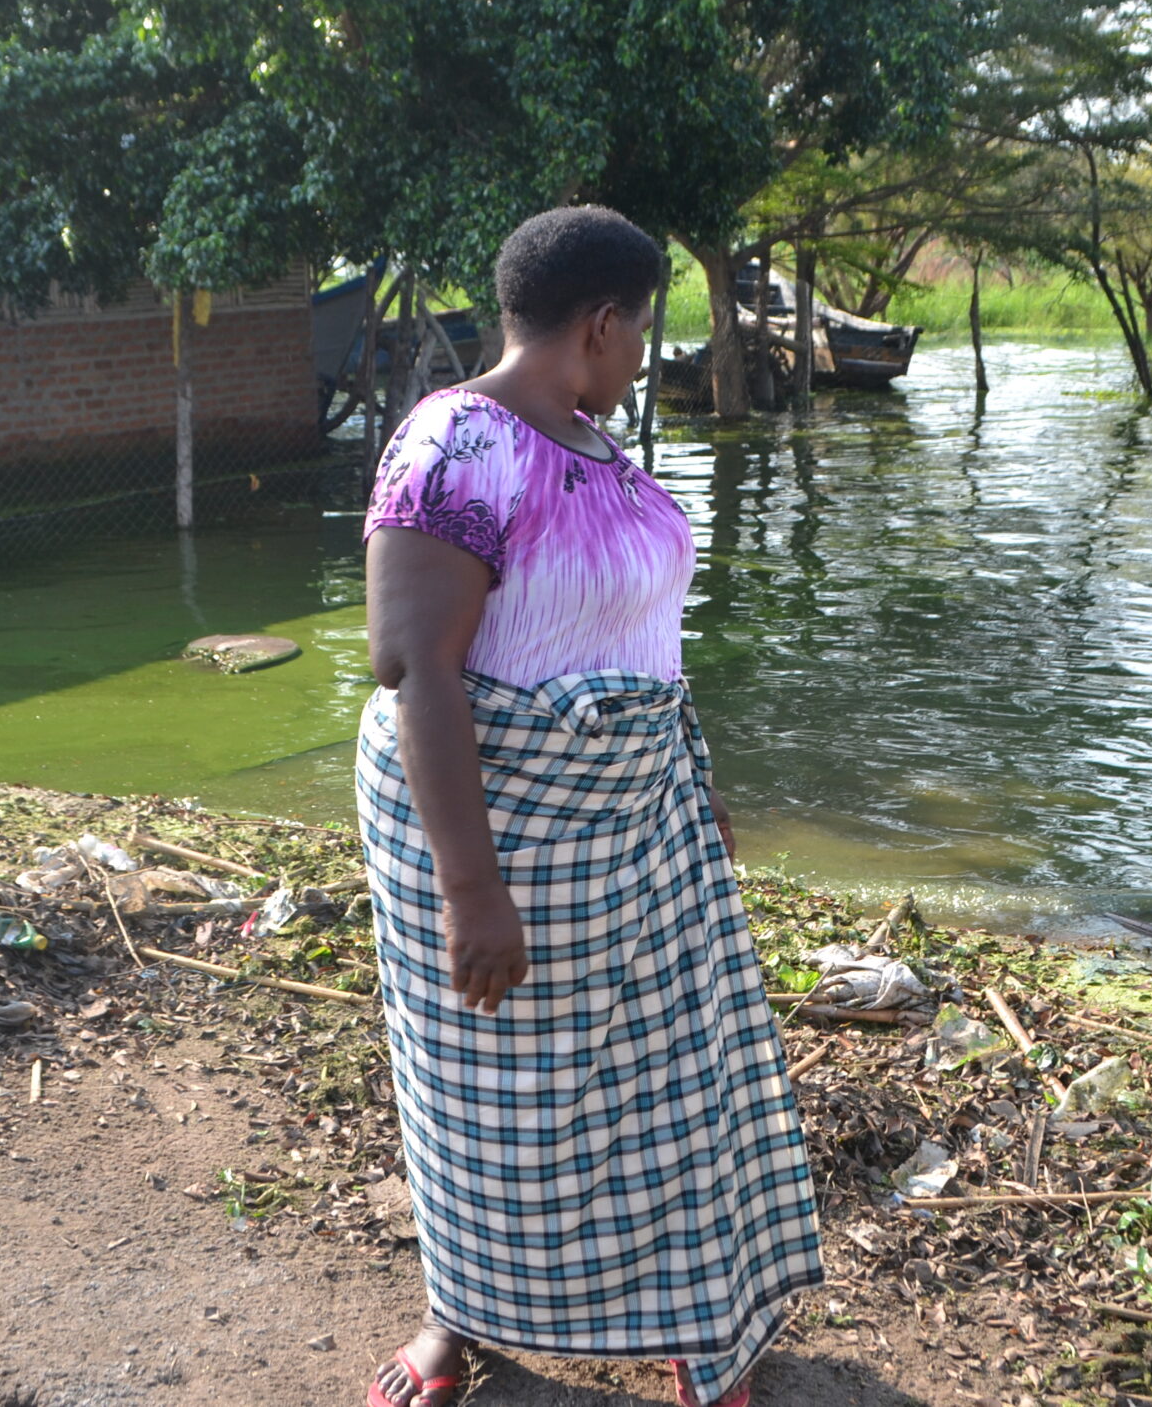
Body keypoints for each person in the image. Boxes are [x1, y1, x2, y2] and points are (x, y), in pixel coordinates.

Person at [357, 207, 821, 1407]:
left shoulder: (598, 447)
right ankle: (457, 1316)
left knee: (671, 1079)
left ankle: (693, 1324)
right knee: (478, 1091)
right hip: (499, 828)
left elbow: (643, 640)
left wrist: (692, 787)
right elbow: (416, 668)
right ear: (601, 323)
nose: (638, 359)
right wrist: (473, 889)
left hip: (637, 827)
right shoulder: (452, 444)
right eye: (639, 335)